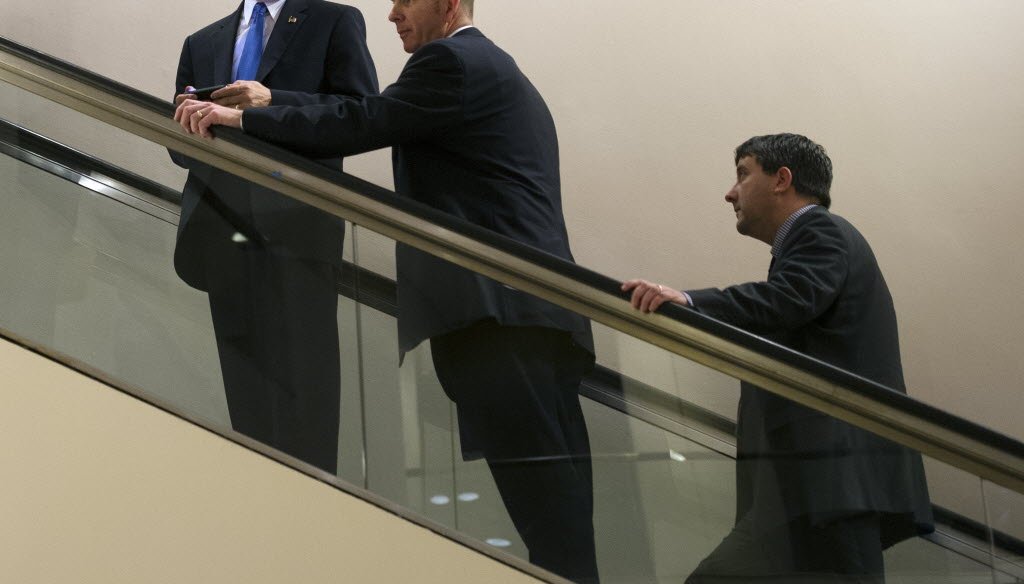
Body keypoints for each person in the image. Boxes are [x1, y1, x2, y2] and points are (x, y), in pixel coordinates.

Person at [175, 0, 599, 581]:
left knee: (554, 527)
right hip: (531, 316)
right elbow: (374, 111)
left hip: (501, 317)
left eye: (406, 0)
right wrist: (275, 99)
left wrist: (247, 118)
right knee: (561, 526)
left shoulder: (450, 62)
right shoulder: (490, 65)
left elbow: (365, 120)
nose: (393, 13)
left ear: (448, 4)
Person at [623, 134, 932, 583]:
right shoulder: (808, 242)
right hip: (812, 488)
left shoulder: (819, 229)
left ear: (782, 179)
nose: (730, 192)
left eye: (743, 173)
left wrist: (690, 301)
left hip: (828, 483)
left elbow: (791, 298)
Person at [169, 0, 378, 475]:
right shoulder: (201, 41)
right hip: (221, 237)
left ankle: (312, 528)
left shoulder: (332, 20)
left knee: (307, 410)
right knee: (247, 416)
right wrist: (187, 121)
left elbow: (362, 114)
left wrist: (272, 101)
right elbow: (179, 152)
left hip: (298, 236)